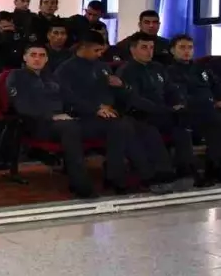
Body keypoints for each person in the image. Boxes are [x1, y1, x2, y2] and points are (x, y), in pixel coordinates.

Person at [55, 32, 179, 194]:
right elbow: (68, 97)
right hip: (82, 118)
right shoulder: (65, 70)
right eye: (96, 50)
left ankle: (162, 172)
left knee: (146, 128)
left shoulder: (102, 66)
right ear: (83, 48)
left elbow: (117, 93)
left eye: (102, 51)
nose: (100, 54)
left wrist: (121, 87)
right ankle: (131, 176)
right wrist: (96, 108)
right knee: (122, 127)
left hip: (108, 115)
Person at [7, 44, 95, 198]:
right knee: (70, 128)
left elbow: (71, 98)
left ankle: (119, 177)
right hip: (37, 123)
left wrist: (97, 109)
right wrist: (52, 116)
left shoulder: (51, 77)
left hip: (62, 121)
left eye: (41, 55)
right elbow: (22, 106)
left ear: (47, 59)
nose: (37, 59)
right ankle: (81, 185)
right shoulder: (16, 76)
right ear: (25, 58)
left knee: (111, 124)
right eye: (33, 55)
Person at [117, 32, 197, 185]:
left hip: (163, 111)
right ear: (133, 50)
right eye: (144, 47)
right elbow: (134, 99)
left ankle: (185, 168)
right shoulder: (126, 71)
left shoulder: (158, 67)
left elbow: (171, 89)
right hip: (140, 114)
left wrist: (178, 102)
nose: (149, 51)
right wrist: (162, 109)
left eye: (152, 48)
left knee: (182, 123)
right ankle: (162, 172)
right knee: (149, 128)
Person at [166, 35, 221, 183]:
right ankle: (189, 170)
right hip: (187, 111)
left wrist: (220, 99)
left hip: (208, 110)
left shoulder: (201, 68)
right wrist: (207, 103)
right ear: (172, 50)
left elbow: (216, 87)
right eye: (182, 47)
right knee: (190, 123)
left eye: (190, 47)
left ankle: (217, 167)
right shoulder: (170, 71)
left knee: (217, 119)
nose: (187, 51)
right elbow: (178, 94)